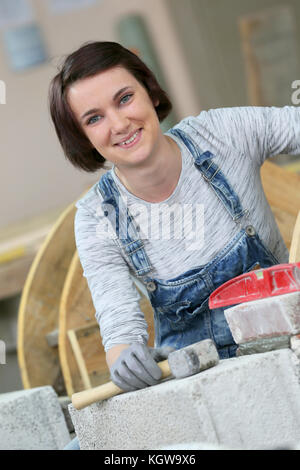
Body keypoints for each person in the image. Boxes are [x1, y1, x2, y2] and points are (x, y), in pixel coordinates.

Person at [49, 41, 300, 449]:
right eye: (95, 118)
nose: (120, 124)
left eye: (125, 98)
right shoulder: (98, 216)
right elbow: (120, 329)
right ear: (82, 136)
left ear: (150, 91)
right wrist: (128, 362)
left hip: (281, 354)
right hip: (192, 384)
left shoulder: (221, 135)